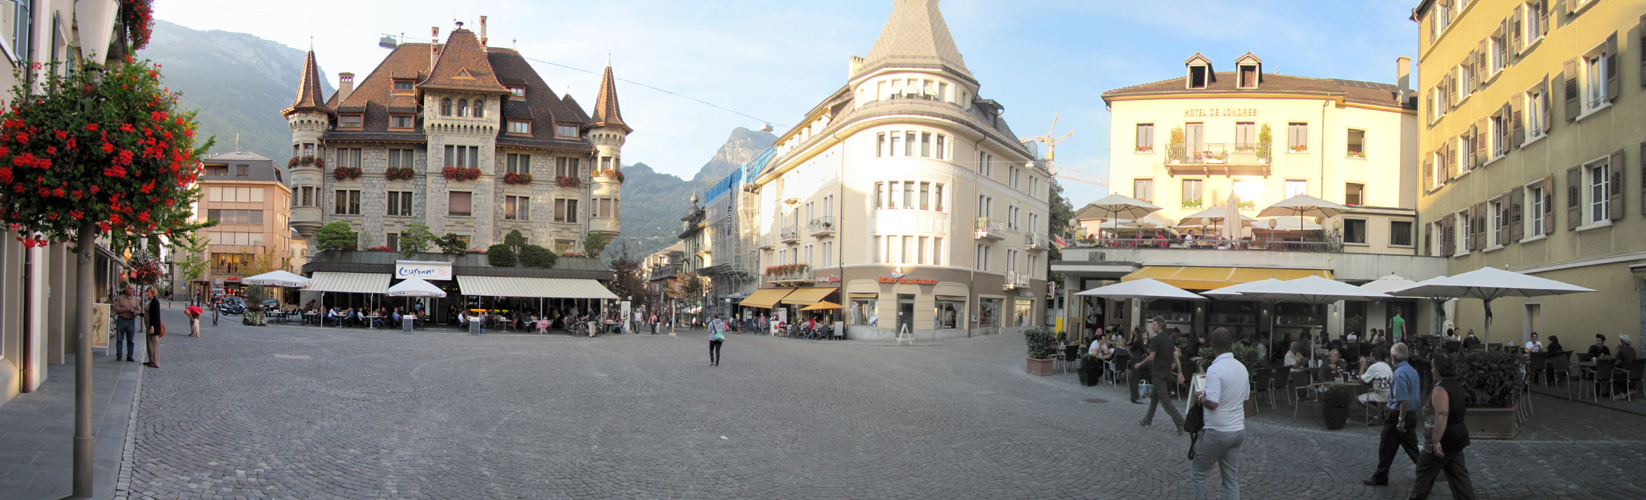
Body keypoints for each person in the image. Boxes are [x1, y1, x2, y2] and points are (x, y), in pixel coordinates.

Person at [1408, 353, 1475, 500]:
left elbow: (1442, 413)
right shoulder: (1455, 385)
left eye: (1433, 367)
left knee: (1424, 472)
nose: (1431, 370)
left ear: (1439, 369)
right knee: (1458, 476)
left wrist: (1436, 440)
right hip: (1457, 436)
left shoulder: (1441, 388)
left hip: (1443, 438)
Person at [1192, 327, 1248, 500]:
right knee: (1230, 479)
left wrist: (1199, 397)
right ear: (1231, 344)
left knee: (1199, 473)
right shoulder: (1242, 368)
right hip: (1237, 429)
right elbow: (1245, 399)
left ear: (1212, 346)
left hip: (1217, 430)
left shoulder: (1214, 369)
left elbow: (1213, 403)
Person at [1364, 342, 1422, 487]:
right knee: (1409, 448)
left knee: (1387, 445)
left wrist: (1401, 419)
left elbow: (1403, 400)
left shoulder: (1399, 374)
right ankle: (1382, 475)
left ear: (1393, 356)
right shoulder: (1412, 371)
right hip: (1410, 414)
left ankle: (1381, 476)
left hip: (1398, 415)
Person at [1137, 317, 1185, 432]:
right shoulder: (1169, 340)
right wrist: (1180, 372)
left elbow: (1151, 356)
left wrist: (1140, 364)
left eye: (1154, 324)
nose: (1152, 326)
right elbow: (1176, 356)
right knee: (1154, 398)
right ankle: (1147, 420)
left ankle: (1181, 423)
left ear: (1159, 326)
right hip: (1166, 373)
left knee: (1166, 402)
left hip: (1158, 374)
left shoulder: (1155, 339)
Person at [112, 284, 141, 362]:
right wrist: (124, 309)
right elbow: (115, 307)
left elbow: (138, 310)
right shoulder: (120, 298)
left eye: (132, 289)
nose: (131, 290)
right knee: (119, 339)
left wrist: (136, 312)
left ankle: (130, 356)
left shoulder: (135, 299)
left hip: (131, 320)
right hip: (122, 319)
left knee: (130, 340)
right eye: (129, 288)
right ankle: (119, 355)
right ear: (126, 289)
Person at [143, 288, 164, 368]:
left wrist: (152, 326)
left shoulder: (155, 302)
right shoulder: (151, 302)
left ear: (152, 293)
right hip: (149, 326)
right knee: (149, 344)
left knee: (154, 344)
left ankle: (155, 362)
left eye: (148, 292)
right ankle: (151, 360)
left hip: (153, 327)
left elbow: (155, 315)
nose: (147, 294)